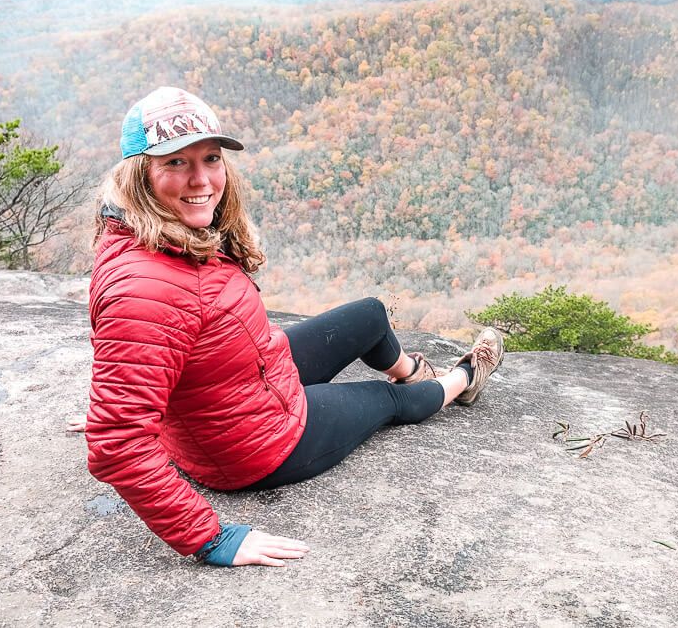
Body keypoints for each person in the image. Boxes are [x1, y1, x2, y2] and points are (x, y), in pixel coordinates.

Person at [82, 87, 504, 568]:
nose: (201, 178)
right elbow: (116, 442)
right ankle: (465, 380)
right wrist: (210, 538)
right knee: (383, 400)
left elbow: (138, 362)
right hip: (252, 448)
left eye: (211, 158)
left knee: (369, 313)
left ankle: (412, 371)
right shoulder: (148, 284)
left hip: (243, 376)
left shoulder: (154, 235)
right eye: (175, 162)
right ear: (139, 177)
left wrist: (131, 401)